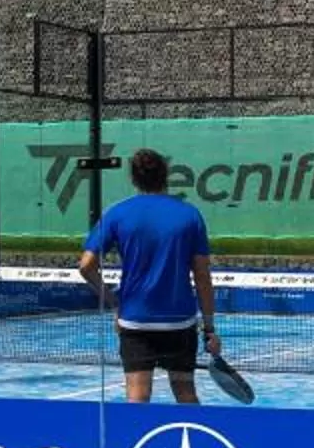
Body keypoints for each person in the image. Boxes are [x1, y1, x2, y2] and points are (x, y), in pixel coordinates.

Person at [78, 146, 220, 404]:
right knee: (186, 395)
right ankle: (199, 443)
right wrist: (209, 328)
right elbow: (202, 277)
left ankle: (134, 445)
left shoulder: (116, 214)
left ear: (134, 179)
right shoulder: (190, 215)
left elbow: (86, 266)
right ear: (165, 175)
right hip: (180, 323)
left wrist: (113, 302)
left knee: (137, 399)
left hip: (135, 322)